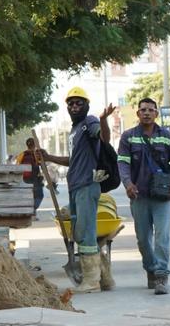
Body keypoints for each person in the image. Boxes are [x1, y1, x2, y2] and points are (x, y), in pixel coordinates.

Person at [40, 88, 115, 294]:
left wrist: (103, 120)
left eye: (78, 103)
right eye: (71, 103)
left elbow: (104, 138)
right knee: (82, 232)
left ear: (86, 105)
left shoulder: (90, 122)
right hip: (76, 186)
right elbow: (73, 161)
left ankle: (91, 281)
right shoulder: (75, 130)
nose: (74, 106)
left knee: (85, 233)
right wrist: (48, 157)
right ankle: (105, 278)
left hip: (86, 185)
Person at [117, 98, 170, 295]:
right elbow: (123, 163)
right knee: (143, 240)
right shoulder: (128, 137)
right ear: (138, 114)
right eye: (143, 110)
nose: (146, 113)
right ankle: (151, 269)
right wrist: (128, 184)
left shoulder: (167, 137)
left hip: (162, 197)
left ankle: (161, 275)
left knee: (162, 237)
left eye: (150, 110)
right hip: (139, 196)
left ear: (156, 114)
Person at [16, 138, 45, 213]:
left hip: (24, 180)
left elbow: (17, 166)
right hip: (35, 180)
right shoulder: (37, 154)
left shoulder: (21, 154)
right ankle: (32, 210)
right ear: (35, 145)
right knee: (39, 196)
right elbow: (42, 165)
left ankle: (30, 211)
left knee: (26, 197)